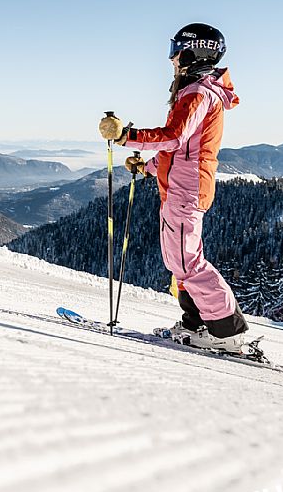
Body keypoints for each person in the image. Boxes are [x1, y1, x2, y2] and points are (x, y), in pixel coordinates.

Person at [99, 23, 248, 352]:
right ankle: (196, 323)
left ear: (196, 53)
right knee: (179, 261)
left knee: (188, 263)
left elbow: (175, 137)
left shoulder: (198, 93)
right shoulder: (196, 91)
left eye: (176, 52)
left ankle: (226, 332)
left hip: (187, 191)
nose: (172, 60)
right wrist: (149, 167)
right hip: (182, 187)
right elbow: (181, 150)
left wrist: (127, 136)